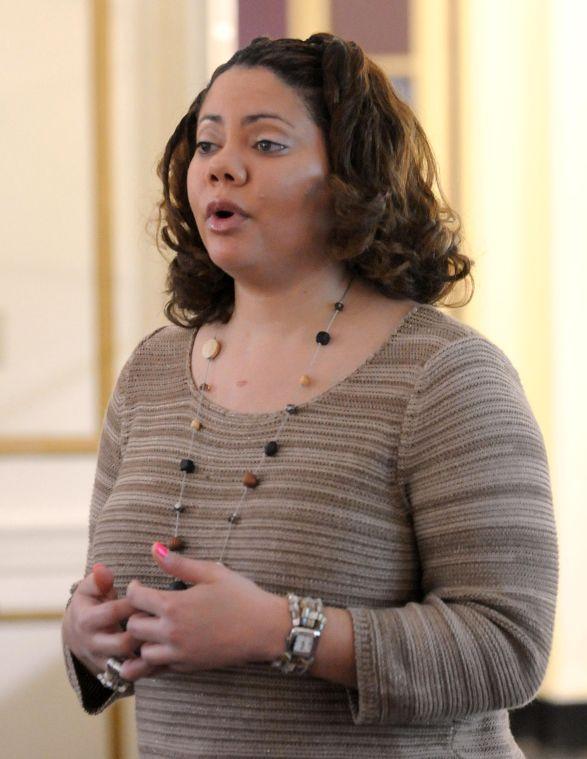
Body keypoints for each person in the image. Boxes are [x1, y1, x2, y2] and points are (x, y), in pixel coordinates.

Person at [62, 33, 558, 757]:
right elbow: (105, 616)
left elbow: (507, 645)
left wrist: (281, 630)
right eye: (206, 145)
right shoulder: (150, 373)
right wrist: (85, 634)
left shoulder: (447, 376)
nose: (221, 166)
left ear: (352, 178)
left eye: (265, 145)